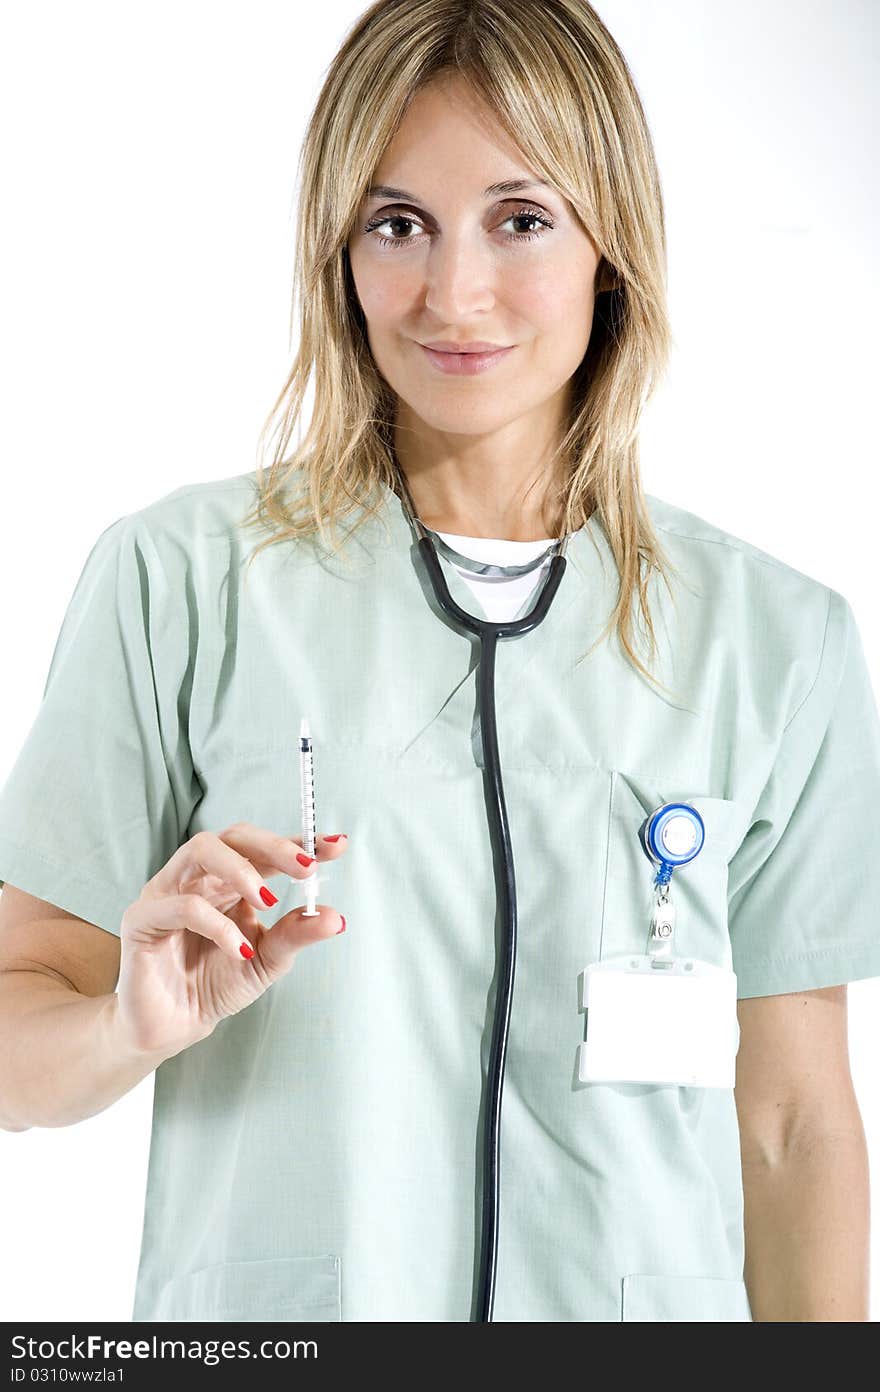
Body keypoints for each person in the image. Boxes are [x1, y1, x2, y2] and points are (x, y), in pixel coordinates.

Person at [0, 0, 878, 1324]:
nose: (451, 294)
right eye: (395, 223)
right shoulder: (176, 581)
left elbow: (796, 1126)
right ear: (337, 252)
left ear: (609, 245)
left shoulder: (778, 642)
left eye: (519, 220)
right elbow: (16, 1039)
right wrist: (126, 1026)